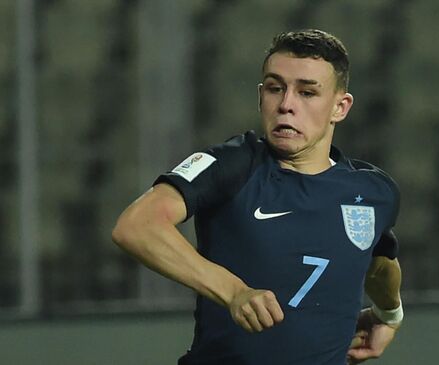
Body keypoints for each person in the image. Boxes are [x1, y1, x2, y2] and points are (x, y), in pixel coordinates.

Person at [112, 29, 403, 365]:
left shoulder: (372, 192)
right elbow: (137, 226)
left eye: (307, 92)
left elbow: (380, 262)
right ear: (260, 94)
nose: (286, 105)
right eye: (275, 88)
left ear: (340, 106)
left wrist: (388, 313)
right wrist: (233, 291)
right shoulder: (232, 164)